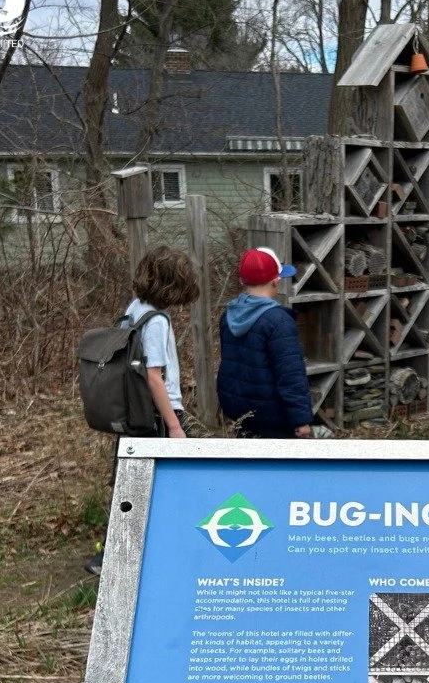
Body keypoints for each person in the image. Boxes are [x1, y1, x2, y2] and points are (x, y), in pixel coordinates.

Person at [84, 244, 199, 574]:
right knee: (170, 483)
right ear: (174, 285)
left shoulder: (134, 308)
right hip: (158, 415)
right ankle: (165, 554)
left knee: (132, 484)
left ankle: (112, 555)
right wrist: (174, 426)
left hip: (134, 411)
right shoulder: (157, 321)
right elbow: (153, 376)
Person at [217, 247, 313, 439]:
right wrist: (301, 419)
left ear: (242, 281)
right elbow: (290, 375)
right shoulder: (279, 322)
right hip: (273, 418)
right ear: (276, 281)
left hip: (240, 414)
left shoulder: (229, 315)